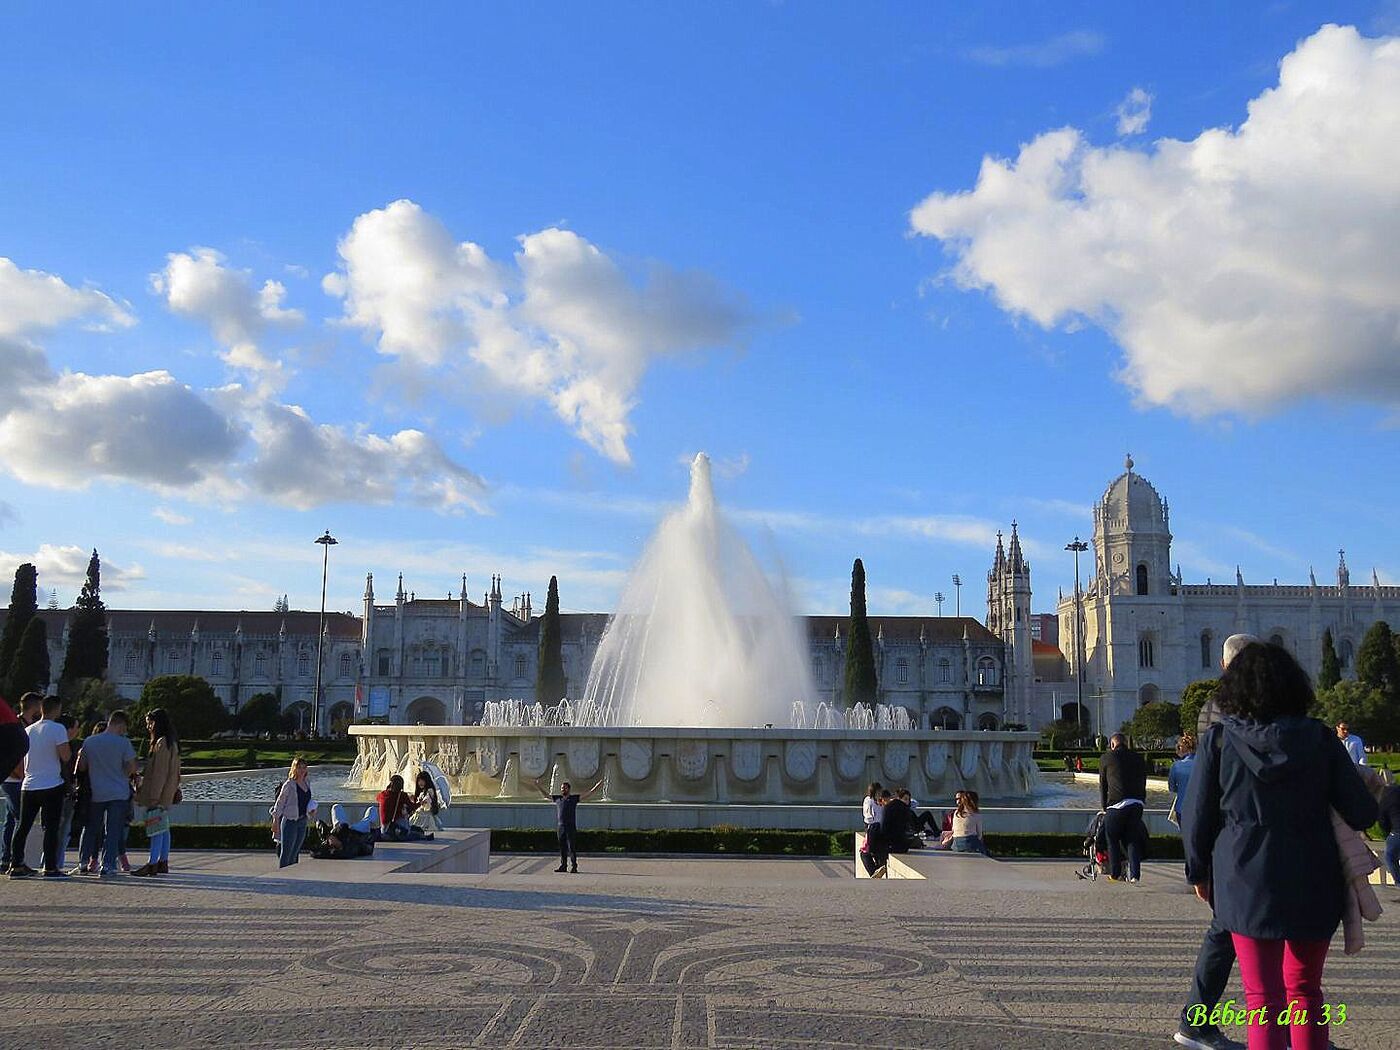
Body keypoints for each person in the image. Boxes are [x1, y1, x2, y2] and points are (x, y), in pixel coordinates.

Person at [1183, 642, 1377, 1050]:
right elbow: (1361, 813)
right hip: (1313, 877)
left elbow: (1198, 817)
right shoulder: (1321, 740)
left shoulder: (1219, 741)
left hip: (1244, 878)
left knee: (1263, 999)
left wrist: (1199, 873)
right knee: (1305, 991)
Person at [1174, 632, 1259, 1050]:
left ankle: (1196, 1022)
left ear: (1225, 665)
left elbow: (1199, 803)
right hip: (1247, 841)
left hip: (1230, 843)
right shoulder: (1250, 707)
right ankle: (1300, 1032)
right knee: (1249, 938)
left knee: (1227, 935)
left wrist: (1198, 865)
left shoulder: (1212, 708)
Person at [7, 696, 73, 878]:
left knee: (23, 826)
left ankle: (16, 864)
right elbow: (65, 756)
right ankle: (50, 867)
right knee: (51, 827)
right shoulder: (57, 729)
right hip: (51, 783)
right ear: (56, 709)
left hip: (29, 784)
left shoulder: (28, 730)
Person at [72, 712, 137, 877]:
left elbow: (81, 767)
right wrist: (121, 772)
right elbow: (132, 768)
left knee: (91, 827)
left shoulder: (90, 741)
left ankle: (83, 862)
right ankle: (107, 865)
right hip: (118, 792)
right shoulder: (124, 743)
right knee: (113, 830)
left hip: (96, 791)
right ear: (121, 724)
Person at [132, 707, 181, 877]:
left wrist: (153, 797)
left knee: (155, 828)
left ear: (156, 723)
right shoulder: (171, 742)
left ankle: (152, 863)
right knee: (164, 828)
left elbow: (159, 773)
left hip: (158, 794)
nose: (148, 727)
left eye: (149, 723)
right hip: (167, 793)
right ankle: (163, 861)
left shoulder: (161, 743)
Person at [1098, 732, 1147, 883]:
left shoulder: (1107, 758)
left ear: (1112, 745)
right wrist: (1141, 800)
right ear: (1126, 743)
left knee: (1112, 838)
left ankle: (1115, 873)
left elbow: (1103, 785)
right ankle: (1135, 876)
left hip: (1116, 805)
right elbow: (1143, 781)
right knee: (1132, 839)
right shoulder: (1138, 758)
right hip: (1136, 804)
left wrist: (1104, 807)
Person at [0, 692, 40, 873]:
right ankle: (14, 860)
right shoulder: (18, 727)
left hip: (17, 776)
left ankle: (6, 859)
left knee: (11, 819)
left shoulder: (25, 726)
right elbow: (16, 755)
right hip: (15, 778)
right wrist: (22, 775)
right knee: (19, 819)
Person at [533, 776, 603, 873]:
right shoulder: (558, 798)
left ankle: (574, 866)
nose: (563, 789)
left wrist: (597, 786)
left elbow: (588, 794)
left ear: (569, 789)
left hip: (570, 826)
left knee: (571, 847)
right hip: (560, 826)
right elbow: (546, 795)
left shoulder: (574, 798)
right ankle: (563, 866)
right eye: (562, 788)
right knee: (562, 847)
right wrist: (538, 786)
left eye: (564, 788)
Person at [270, 757, 315, 867]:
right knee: (286, 854)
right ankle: (283, 877)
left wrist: (311, 810)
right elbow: (279, 803)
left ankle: (293, 877)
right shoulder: (289, 784)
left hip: (302, 821)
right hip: (290, 821)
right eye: (299, 767)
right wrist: (275, 821)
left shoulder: (307, 782)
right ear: (294, 769)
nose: (302, 770)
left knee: (295, 853)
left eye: (304, 767)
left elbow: (307, 801)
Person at [376, 774, 417, 840]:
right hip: (394, 827)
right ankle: (407, 831)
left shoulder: (382, 794)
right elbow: (412, 807)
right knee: (405, 811)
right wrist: (420, 803)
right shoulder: (402, 795)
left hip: (384, 829)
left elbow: (377, 798)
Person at [1379, 779, 1400, 899]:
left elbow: (1383, 822)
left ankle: (1399, 882)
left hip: (1397, 833)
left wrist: (1389, 833)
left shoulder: (1384, 798)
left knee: (1390, 857)